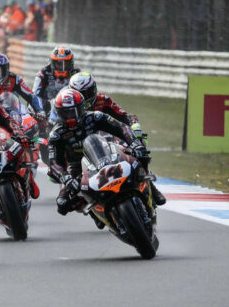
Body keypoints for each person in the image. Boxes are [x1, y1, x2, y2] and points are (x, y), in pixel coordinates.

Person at [47, 88, 162, 216]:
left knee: (139, 155)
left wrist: (134, 144)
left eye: (73, 112)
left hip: (106, 152)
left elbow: (122, 128)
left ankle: (149, 188)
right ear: (58, 113)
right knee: (62, 203)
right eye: (66, 114)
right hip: (77, 167)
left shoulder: (96, 116)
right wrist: (66, 178)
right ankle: (95, 210)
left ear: (82, 108)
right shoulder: (56, 134)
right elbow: (53, 162)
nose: (70, 118)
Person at [33, 45, 80, 110]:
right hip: (47, 110)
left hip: (70, 110)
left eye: (65, 64)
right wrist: (40, 110)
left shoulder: (77, 74)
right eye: (59, 64)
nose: (62, 67)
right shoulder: (43, 74)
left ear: (71, 63)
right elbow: (34, 95)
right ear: (52, 63)